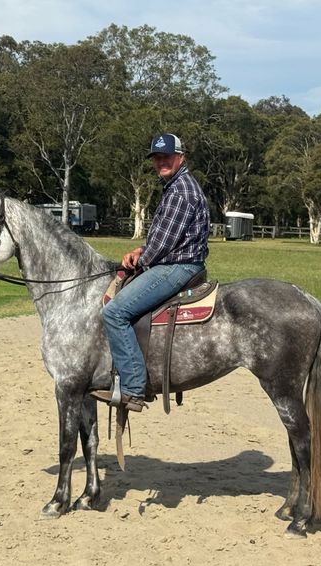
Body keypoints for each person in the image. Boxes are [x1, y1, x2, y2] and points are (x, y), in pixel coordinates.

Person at [92, 133, 210, 411]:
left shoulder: (181, 191)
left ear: (181, 157)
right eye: (157, 157)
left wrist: (141, 259)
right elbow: (164, 237)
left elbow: (163, 245)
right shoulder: (174, 186)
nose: (161, 162)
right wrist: (140, 251)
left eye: (166, 156)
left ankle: (133, 388)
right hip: (173, 260)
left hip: (178, 267)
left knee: (115, 313)